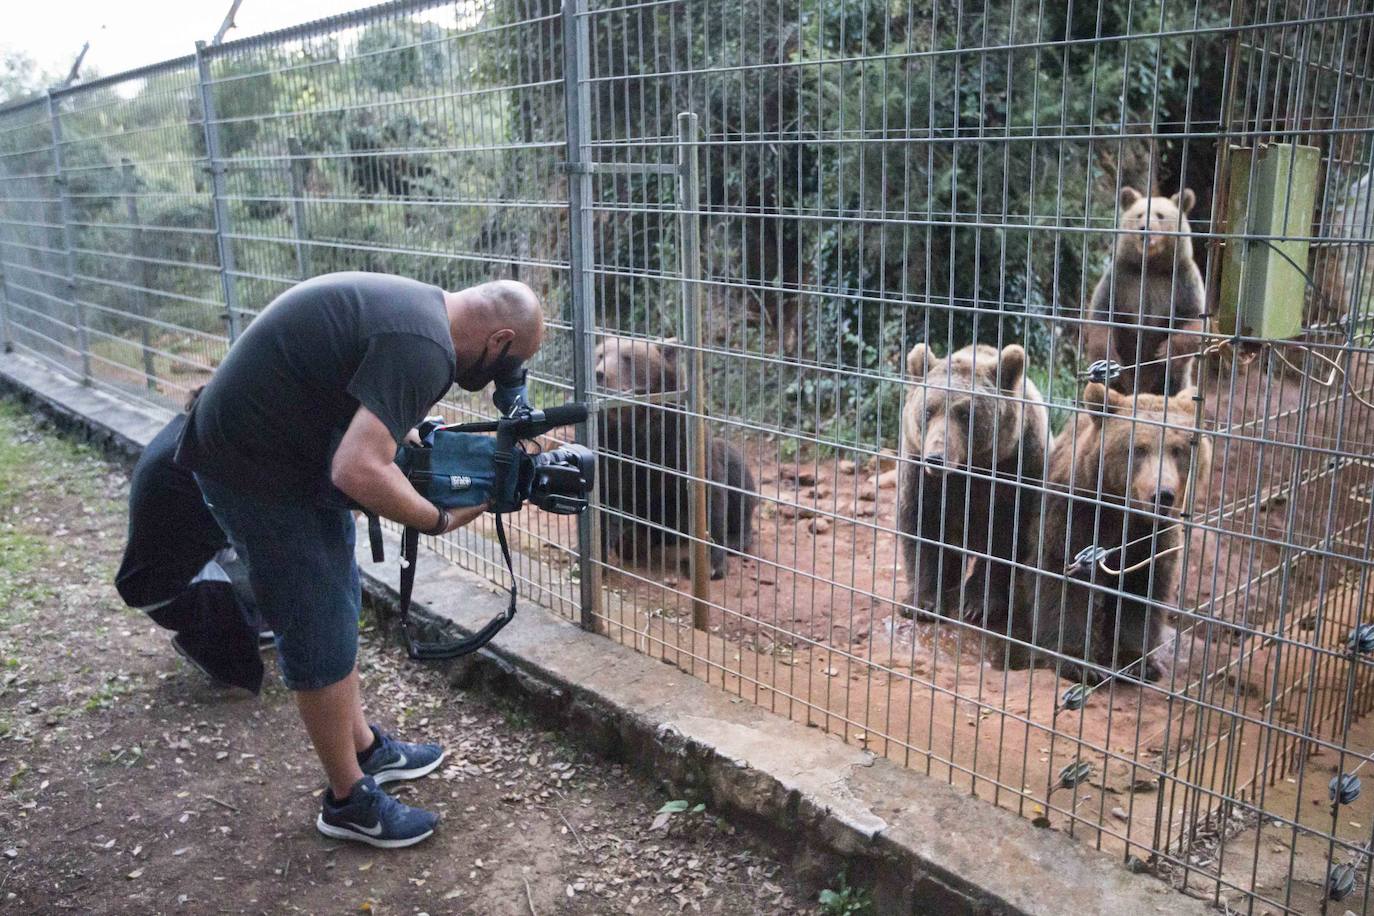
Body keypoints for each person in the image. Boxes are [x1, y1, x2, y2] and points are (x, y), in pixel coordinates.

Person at [174, 272, 544, 848]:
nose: (501, 379)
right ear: (497, 341)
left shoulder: (422, 312)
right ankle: (347, 801)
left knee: (337, 602)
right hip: (255, 472)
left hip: (281, 456)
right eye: (509, 365)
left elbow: (341, 389)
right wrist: (437, 519)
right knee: (317, 622)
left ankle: (366, 749)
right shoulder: (425, 347)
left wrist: (409, 428)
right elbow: (357, 469)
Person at [115, 388, 269, 693]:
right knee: (290, 569)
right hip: (169, 589)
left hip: (155, 578)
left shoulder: (185, 432)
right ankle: (212, 642)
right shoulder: (204, 457)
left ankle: (247, 629)